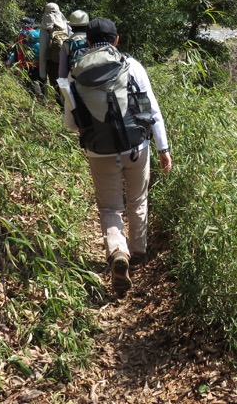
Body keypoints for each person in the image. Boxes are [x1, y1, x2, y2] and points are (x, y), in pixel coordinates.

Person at [61, 18, 172, 295]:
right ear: (116, 40)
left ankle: (117, 251)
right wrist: (163, 148)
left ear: (87, 42)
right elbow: (152, 109)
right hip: (137, 146)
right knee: (137, 200)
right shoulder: (132, 66)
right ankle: (138, 253)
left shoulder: (76, 72)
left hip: (99, 151)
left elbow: (71, 123)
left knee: (111, 208)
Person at [39, 2, 70, 98]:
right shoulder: (66, 26)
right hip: (66, 61)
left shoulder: (44, 28)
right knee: (66, 87)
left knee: (57, 87)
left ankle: (58, 105)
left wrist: (42, 73)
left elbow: (42, 52)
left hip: (53, 63)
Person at [5, 17, 42, 96]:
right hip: (40, 62)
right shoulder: (39, 33)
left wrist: (16, 62)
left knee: (30, 81)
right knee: (40, 81)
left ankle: (36, 99)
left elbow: (18, 50)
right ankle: (43, 99)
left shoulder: (23, 35)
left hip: (27, 63)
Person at [58, 9, 89, 80]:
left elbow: (62, 71)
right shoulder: (92, 40)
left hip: (74, 83)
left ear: (71, 27)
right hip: (92, 81)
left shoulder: (67, 44)